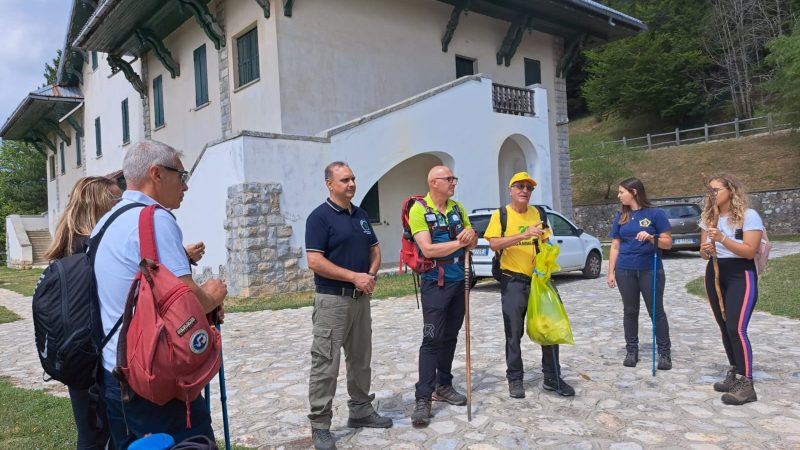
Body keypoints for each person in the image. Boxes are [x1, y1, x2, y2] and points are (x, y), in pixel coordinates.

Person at [92, 140, 227, 448]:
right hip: (154, 380)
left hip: (114, 373)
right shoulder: (155, 219)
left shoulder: (107, 221)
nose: (185, 185)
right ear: (156, 173)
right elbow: (187, 299)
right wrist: (214, 294)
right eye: (181, 175)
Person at [305, 161, 392, 450]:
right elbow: (315, 261)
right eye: (344, 180)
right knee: (325, 364)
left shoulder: (362, 215)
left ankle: (361, 410)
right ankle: (320, 425)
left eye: (353, 178)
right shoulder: (319, 218)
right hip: (332, 301)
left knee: (360, 360)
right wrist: (355, 276)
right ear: (330, 184)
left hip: (360, 300)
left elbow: (375, 250)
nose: (351, 184)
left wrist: (370, 275)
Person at [43, 176, 122, 450]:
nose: (122, 206)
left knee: (89, 432)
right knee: (107, 432)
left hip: (74, 354)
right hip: (98, 355)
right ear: (102, 205)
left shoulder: (68, 244)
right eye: (118, 201)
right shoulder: (96, 247)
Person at [484, 172, 575, 399]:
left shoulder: (539, 213)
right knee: (513, 333)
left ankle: (552, 377)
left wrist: (546, 259)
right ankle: (515, 379)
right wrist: (522, 234)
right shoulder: (501, 215)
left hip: (539, 281)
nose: (525, 191)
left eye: (529, 188)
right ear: (511, 189)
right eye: (520, 186)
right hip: (513, 280)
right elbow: (494, 244)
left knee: (549, 329)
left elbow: (545, 242)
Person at [408, 165, 477, 427]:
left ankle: (444, 385)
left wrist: (471, 236)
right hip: (434, 284)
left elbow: (472, 240)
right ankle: (423, 397)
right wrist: (461, 243)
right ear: (434, 183)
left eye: (453, 179)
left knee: (450, 335)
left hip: (460, 282)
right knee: (431, 338)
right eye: (449, 179)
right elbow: (427, 249)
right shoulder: (419, 210)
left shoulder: (457, 208)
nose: (453, 183)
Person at [699, 174, 763, 405]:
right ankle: (735, 373)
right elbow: (703, 252)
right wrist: (707, 249)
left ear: (731, 190)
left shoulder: (748, 216)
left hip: (740, 274)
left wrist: (723, 239)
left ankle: (747, 384)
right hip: (715, 272)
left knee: (737, 328)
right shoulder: (709, 217)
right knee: (725, 326)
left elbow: (749, 251)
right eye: (710, 190)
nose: (712, 194)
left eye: (716, 190)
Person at [607, 177, 673, 370]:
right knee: (630, 311)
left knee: (656, 311)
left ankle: (664, 353)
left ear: (634, 192)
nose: (619, 196)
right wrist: (610, 272)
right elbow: (615, 246)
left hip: (650, 269)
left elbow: (668, 243)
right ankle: (631, 351)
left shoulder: (655, 214)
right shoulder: (621, 217)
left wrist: (653, 238)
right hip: (625, 270)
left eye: (621, 192)